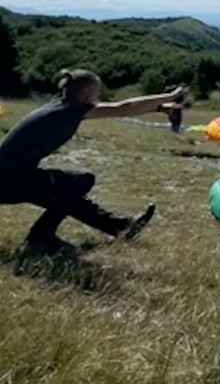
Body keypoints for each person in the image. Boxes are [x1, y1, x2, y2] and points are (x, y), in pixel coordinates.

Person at [0, 68, 188, 253]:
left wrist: (159, 108)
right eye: (97, 91)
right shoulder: (71, 109)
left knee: (66, 195)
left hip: (12, 179)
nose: (99, 96)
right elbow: (124, 108)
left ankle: (120, 228)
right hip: (9, 182)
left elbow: (118, 110)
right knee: (79, 182)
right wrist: (171, 96)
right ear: (85, 92)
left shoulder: (61, 106)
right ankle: (40, 237)